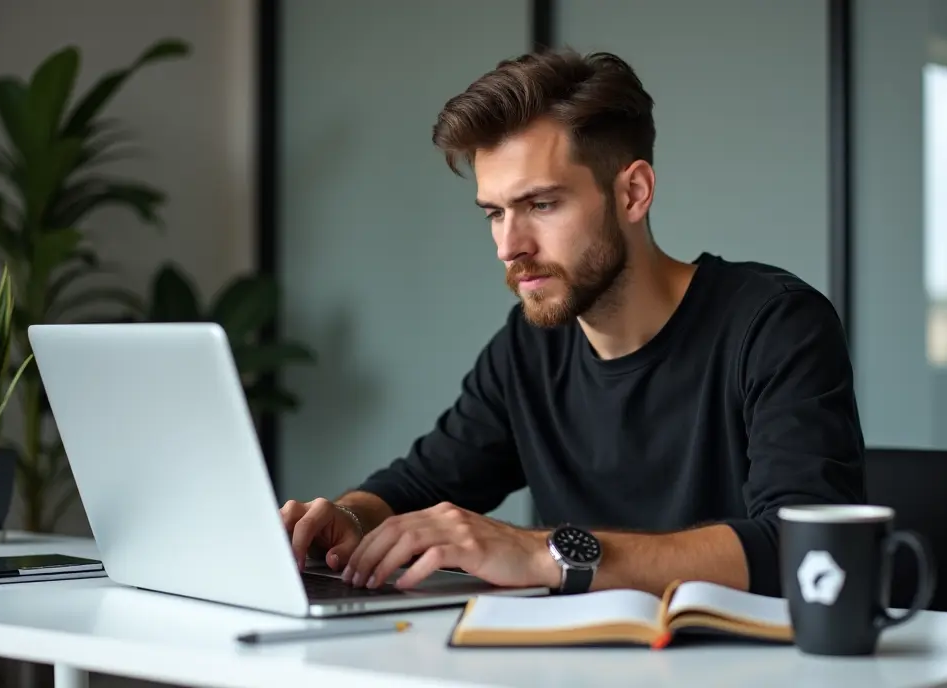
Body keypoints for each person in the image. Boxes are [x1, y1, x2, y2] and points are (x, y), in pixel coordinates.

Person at [280, 48, 865, 600]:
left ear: (633, 193)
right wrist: (347, 519)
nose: (510, 246)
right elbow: (417, 485)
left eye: (541, 205)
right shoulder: (527, 349)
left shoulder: (774, 324)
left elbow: (806, 547)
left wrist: (542, 554)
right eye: (495, 213)